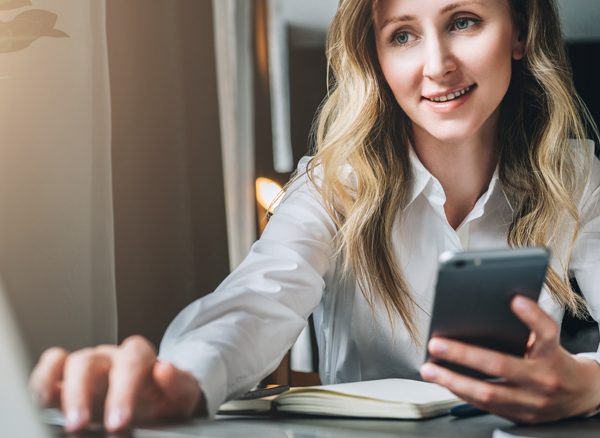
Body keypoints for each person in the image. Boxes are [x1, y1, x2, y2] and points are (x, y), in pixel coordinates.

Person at [29, 0, 600, 432]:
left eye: (464, 22)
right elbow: (261, 298)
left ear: (520, 32)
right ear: (376, 57)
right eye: (402, 35)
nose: (437, 65)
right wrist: (179, 379)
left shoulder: (574, 176)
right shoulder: (331, 183)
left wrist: (586, 383)